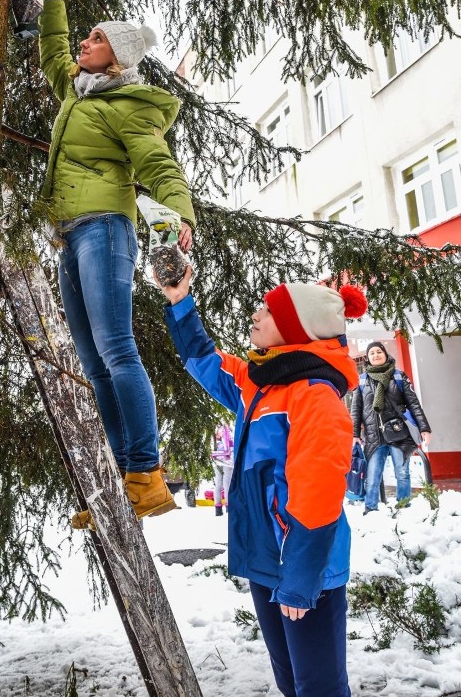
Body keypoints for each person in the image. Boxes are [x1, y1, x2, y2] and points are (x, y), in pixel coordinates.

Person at [32, 0, 196, 526]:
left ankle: (147, 476)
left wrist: (180, 219)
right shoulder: (79, 94)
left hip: (105, 229)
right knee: (93, 362)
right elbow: (53, 55)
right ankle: (118, 481)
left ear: (119, 57)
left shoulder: (128, 109)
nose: (86, 40)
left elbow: (159, 166)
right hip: (70, 236)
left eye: (97, 37)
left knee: (116, 349)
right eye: (89, 33)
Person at [159, 268, 367, 697]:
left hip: (306, 568)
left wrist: (300, 577)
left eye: (269, 312)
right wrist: (180, 301)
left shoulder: (314, 394)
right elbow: (206, 362)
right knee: (291, 680)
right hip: (267, 561)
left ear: (295, 329)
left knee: (320, 687)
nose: (255, 316)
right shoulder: (263, 384)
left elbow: (320, 491)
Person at [350, 341, 432, 515]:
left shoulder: (398, 376)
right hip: (374, 436)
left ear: (385, 354)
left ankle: (403, 507)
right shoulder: (363, 380)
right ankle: (370, 509)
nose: (376, 355)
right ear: (368, 358)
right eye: (372, 353)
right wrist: (354, 434)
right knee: (372, 477)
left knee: (402, 473)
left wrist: (424, 428)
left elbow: (414, 404)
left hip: (398, 433)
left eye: (379, 351)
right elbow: (356, 409)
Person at [211, 422, 234, 515]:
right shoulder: (227, 429)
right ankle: (229, 508)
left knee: (218, 484)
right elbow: (231, 446)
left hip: (216, 461)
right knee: (227, 484)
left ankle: (218, 509)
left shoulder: (212, 431)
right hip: (227, 461)